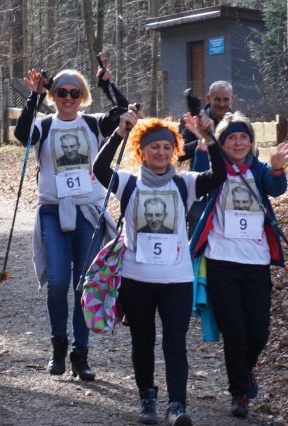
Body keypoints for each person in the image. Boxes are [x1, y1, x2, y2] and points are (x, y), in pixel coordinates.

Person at [93, 109, 226, 425]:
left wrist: (209, 137)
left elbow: (220, 175)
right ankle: (147, 399)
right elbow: (98, 169)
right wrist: (119, 134)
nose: (161, 152)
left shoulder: (186, 184)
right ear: (142, 150)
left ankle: (177, 406)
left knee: (174, 343)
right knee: (142, 341)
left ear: (175, 150)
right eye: (155, 146)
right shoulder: (127, 184)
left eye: (168, 147)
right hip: (136, 278)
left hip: (177, 281)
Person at [13, 68, 122, 381]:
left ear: (83, 95)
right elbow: (22, 135)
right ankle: (58, 343)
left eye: (75, 93)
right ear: (54, 95)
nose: (69, 98)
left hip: (88, 211)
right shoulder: (44, 125)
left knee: (84, 283)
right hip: (52, 210)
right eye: (62, 92)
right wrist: (34, 94)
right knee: (59, 280)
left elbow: (124, 114)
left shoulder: (93, 123)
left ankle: (81, 353)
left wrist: (108, 85)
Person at [190, 112, 288, 419]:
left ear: (251, 142)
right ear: (223, 142)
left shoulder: (259, 170)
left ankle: (245, 371)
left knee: (258, 333)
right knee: (234, 331)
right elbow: (199, 176)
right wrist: (202, 144)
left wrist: (277, 170)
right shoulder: (217, 168)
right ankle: (238, 392)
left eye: (243, 137)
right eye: (232, 137)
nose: (238, 142)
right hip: (221, 260)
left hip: (256, 262)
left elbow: (276, 189)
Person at [180, 81, 234, 237]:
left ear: (232, 99)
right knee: (197, 235)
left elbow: (251, 153)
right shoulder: (196, 120)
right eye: (217, 99)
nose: (222, 104)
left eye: (226, 99)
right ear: (209, 99)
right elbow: (180, 152)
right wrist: (202, 140)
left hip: (229, 188)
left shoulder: (238, 122)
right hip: (201, 188)